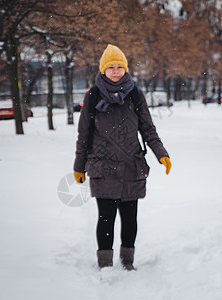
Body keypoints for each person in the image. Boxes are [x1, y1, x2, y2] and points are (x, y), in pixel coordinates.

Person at [73, 44, 171, 270]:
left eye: (120, 67)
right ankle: (105, 264)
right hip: (102, 167)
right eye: (111, 67)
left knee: (129, 218)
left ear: (126, 69)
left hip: (131, 166)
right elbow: (84, 135)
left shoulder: (135, 95)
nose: (116, 71)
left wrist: (161, 154)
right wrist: (79, 167)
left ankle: (127, 261)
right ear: (103, 70)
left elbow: (148, 129)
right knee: (105, 218)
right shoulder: (93, 95)